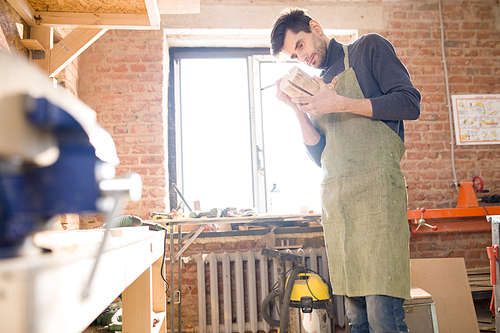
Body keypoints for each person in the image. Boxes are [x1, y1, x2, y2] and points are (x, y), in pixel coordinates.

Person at [270, 8, 421, 333]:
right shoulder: (317, 84)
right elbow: (323, 155)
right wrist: (298, 110)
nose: (301, 57)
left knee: (383, 318)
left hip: (377, 202)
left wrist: (338, 103)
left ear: (315, 27)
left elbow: (410, 103)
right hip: (340, 208)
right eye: (293, 55)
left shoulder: (369, 49)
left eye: (300, 45)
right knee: (358, 320)